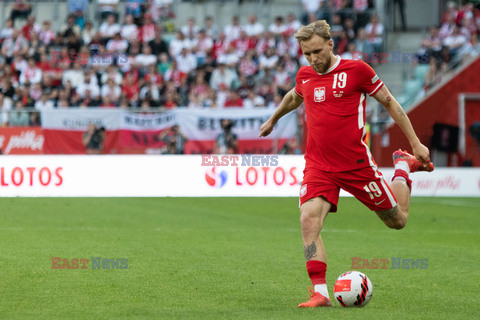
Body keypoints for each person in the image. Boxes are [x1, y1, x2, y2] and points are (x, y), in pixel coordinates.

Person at [259, 20, 434, 308]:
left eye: (316, 51)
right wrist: (273, 119)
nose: (313, 59)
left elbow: (389, 101)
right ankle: (320, 293)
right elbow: (294, 96)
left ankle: (402, 165)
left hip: (355, 166)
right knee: (308, 220)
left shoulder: (357, 71)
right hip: (318, 165)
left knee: (397, 221)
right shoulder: (305, 75)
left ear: (330, 43)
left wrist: (415, 143)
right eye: (306, 54)